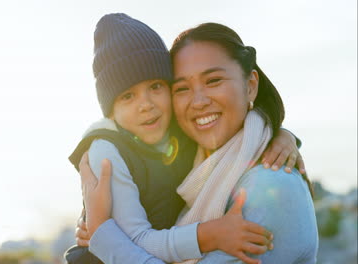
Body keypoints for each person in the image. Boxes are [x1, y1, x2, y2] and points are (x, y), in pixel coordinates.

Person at [68, 14, 306, 264]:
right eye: (127, 96)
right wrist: (208, 235)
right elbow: (135, 238)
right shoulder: (108, 152)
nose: (146, 105)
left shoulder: (271, 184)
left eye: (156, 87)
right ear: (110, 110)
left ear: (251, 85)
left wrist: (281, 134)